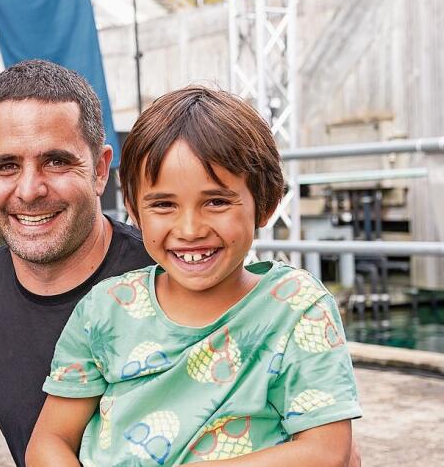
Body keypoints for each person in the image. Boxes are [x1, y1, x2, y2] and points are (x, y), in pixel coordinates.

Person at [27, 87, 362, 465]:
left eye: (216, 201)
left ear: (265, 205)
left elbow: (328, 451)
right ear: (135, 212)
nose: (189, 229)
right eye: (164, 205)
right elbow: (50, 441)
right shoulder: (104, 309)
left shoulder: (297, 308)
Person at [0, 60, 154, 465]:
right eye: (6, 166)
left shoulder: (166, 277)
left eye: (57, 161)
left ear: (100, 170)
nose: (29, 190)